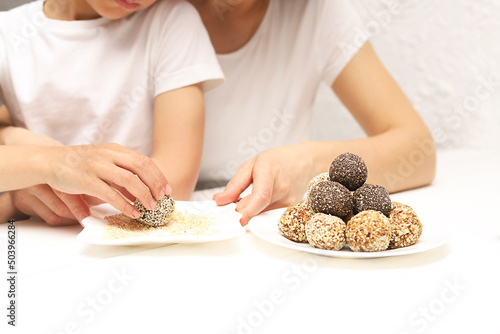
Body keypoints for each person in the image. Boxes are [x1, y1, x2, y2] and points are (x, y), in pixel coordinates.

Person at [188, 0, 436, 225]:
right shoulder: (154, 13)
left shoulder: (317, 11)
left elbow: (418, 149)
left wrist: (307, 165)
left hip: (272, 232)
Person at [0, 0, 224, 224]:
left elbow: (171, 186)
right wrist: (48, 167)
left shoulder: (173, 20)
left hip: (139, 241)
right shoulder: (9, 31)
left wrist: (24, 178)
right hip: (39, 238)